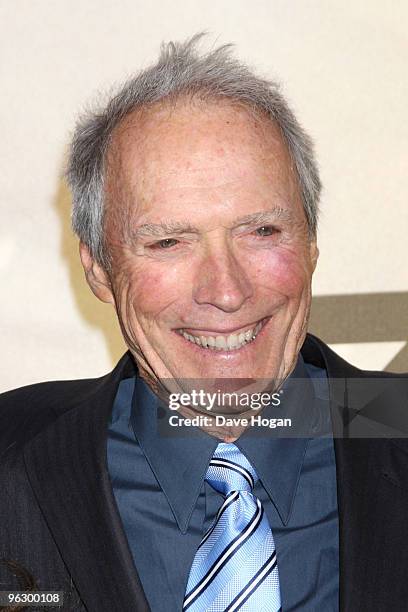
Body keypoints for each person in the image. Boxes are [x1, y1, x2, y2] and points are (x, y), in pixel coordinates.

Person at [1, 34, 408, 612]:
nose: (226, 290)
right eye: (169, 242)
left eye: (262, 231)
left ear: (311, 243)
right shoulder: (12, 455)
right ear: (98, 270)